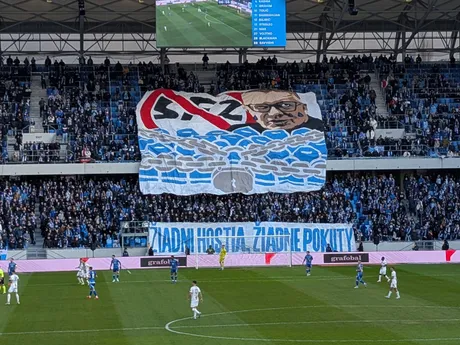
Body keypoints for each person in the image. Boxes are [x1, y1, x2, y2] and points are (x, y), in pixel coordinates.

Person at [229, 90, 324, 133]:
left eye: (286, 105)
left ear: (304, 108)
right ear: (249, 111)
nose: (274, 113)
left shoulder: (318, 129)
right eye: (262, 107)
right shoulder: (238, 132)